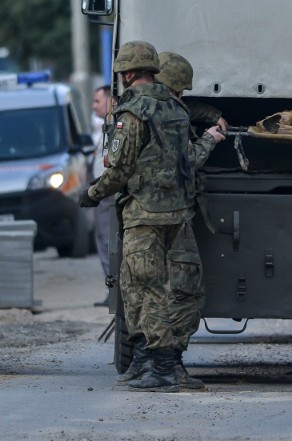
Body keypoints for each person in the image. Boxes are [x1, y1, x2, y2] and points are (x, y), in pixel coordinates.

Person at [78, 40, 225, 392]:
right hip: (178, 214)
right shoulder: (175, 110)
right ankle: (155, 363)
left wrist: (91, 193)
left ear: (127, 73)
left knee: (147, 290)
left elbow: (119, 171)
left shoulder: (131, 113)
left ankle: (161, 368)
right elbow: (188, 158)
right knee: (178, 289)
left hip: (144, 215)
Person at [90, 85, 113, 307]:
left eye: (97, 101)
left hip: (105, 190)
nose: (93, 106)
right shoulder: (105, 126)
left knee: (106, 238)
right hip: (102, 189)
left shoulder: (115, 126)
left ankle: (113, 288)